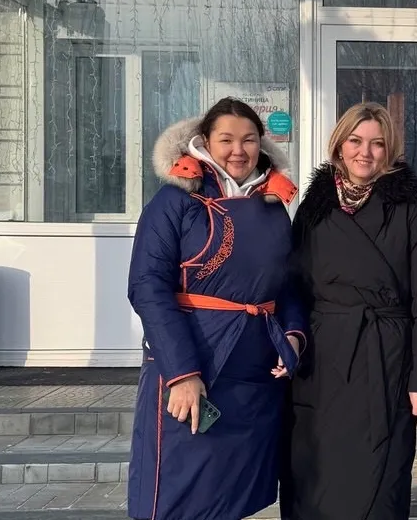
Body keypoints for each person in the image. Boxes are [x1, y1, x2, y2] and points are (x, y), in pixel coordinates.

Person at [127, 97, 306, 520]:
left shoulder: (273, 206)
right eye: (226, 139)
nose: (238, 150)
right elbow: (147, 287)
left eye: (249, 139)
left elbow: (289, 285)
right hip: (195, 367)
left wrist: (294, 335)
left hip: (254, 375)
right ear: (204, 141)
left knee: (233, 496)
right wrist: (182, 374)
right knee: (180, 493)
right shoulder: (174, 201)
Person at [284, 102, 417, 520]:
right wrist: (290, 339)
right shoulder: (315, 207)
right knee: (316, 477)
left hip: (385, 359)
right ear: (339, 145)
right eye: (356, 141)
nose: (365, 152)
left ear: (389, 151)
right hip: (322, 362)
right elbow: (293, 286)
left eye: (377, 144)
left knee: (381, 481)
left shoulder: (413, 210)